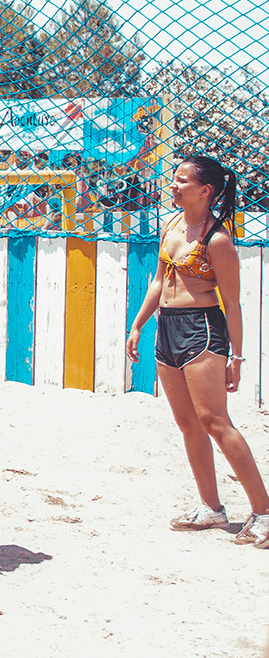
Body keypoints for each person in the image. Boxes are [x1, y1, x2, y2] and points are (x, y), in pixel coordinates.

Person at [127, 155, 269, 547]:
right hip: (167, 328)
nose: (172, 186)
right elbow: (159, 280)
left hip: (201, 330)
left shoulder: (217, 240)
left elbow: (233, 302)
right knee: (188, 423)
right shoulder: (172, 224)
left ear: (204, 190)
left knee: (215, 421)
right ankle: (211, 507)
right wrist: (139, 324)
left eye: (181, 181)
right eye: (173, 180)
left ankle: (264, 511)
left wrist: (236, 357)